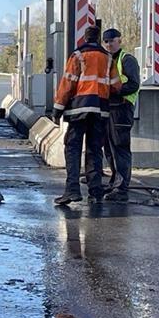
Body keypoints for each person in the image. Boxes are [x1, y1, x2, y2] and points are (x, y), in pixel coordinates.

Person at [52, 25, 121, 205]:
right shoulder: (108, 58)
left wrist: (57, 109)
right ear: (98, 39)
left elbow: (67, 85)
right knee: (94, 150)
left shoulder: (78, 56)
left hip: (79, 110)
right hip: (100, 111)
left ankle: (72, 190)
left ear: (84, 38)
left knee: (73, 148)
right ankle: (95, 191)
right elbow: (116, 86)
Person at [102, 28, 140, 202]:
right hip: (110, 109)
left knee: (120, 148)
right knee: (109, 149)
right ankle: (114, 182)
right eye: (106, 41)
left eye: (112, 40)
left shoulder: (127, 60)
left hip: (122, 109)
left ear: (120, 40)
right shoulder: (107, 60)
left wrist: (113, 91)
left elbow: (133, 84)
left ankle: (121, 188)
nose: (109, 44)